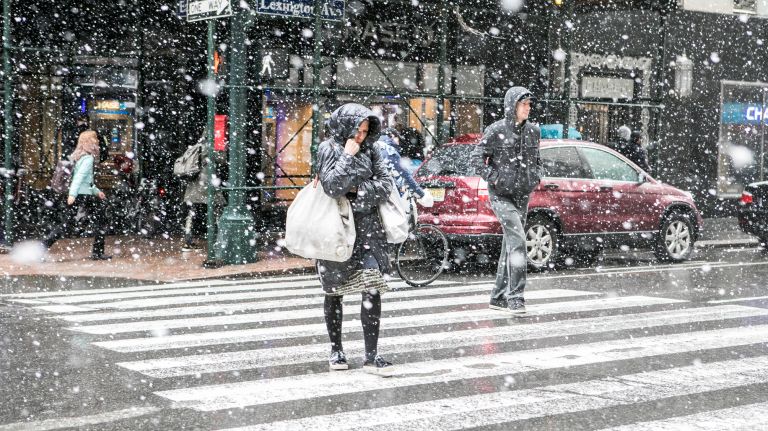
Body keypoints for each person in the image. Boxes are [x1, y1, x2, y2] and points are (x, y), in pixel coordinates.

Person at [315, 103, 395, 375]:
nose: (360, 136)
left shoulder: (373, 149)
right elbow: (332, 186)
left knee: (372, 286)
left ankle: (371, 355)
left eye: (364, 131)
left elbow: (386, 186)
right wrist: (348, 157)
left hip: (369, 229)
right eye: (357, 131)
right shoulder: (328, 148)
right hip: (335, 228)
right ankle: (336, 349)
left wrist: (357, 191)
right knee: (334, 290)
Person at [470, 86, 542, 315]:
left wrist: (536, 176)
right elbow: (475, 159)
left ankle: (498, 296)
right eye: (524, 104)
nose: (528, 108)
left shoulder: (533, 131)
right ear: (512, 106)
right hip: (500, 195)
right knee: (519, 241)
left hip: (522, 195)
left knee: (509, 245)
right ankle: (516, 297)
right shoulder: (496, 130)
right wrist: (495, 178)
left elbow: (537, 159)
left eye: (529, 104)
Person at [43, 130, 110, 260]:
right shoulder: (88, 159)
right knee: (99, 221)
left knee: (68, 223)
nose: (97, 142)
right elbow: (78, 178)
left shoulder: (80, 157)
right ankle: (97, 252)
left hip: (84, 194)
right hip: (82, 195)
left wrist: (97, 191)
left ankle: (42, 247)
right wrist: (72, 195)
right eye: (94, 139)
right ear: (89, 142)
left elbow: (87, 182)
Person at [181, 133, 225, 252]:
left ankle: (188, 241)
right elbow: (222, 160)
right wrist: (222, 147)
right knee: (218, 208)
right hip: (206, 183)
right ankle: (221, 239)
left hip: (194, 185)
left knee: (191, 212)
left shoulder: (197, 146)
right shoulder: (212, 146)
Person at [375, 127, 433, 206]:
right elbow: (405, 175)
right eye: (398, 139)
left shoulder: (374, 146)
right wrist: (422, 195)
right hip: (385, 196)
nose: (399, 142)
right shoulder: (389, 150)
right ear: (392, 136)